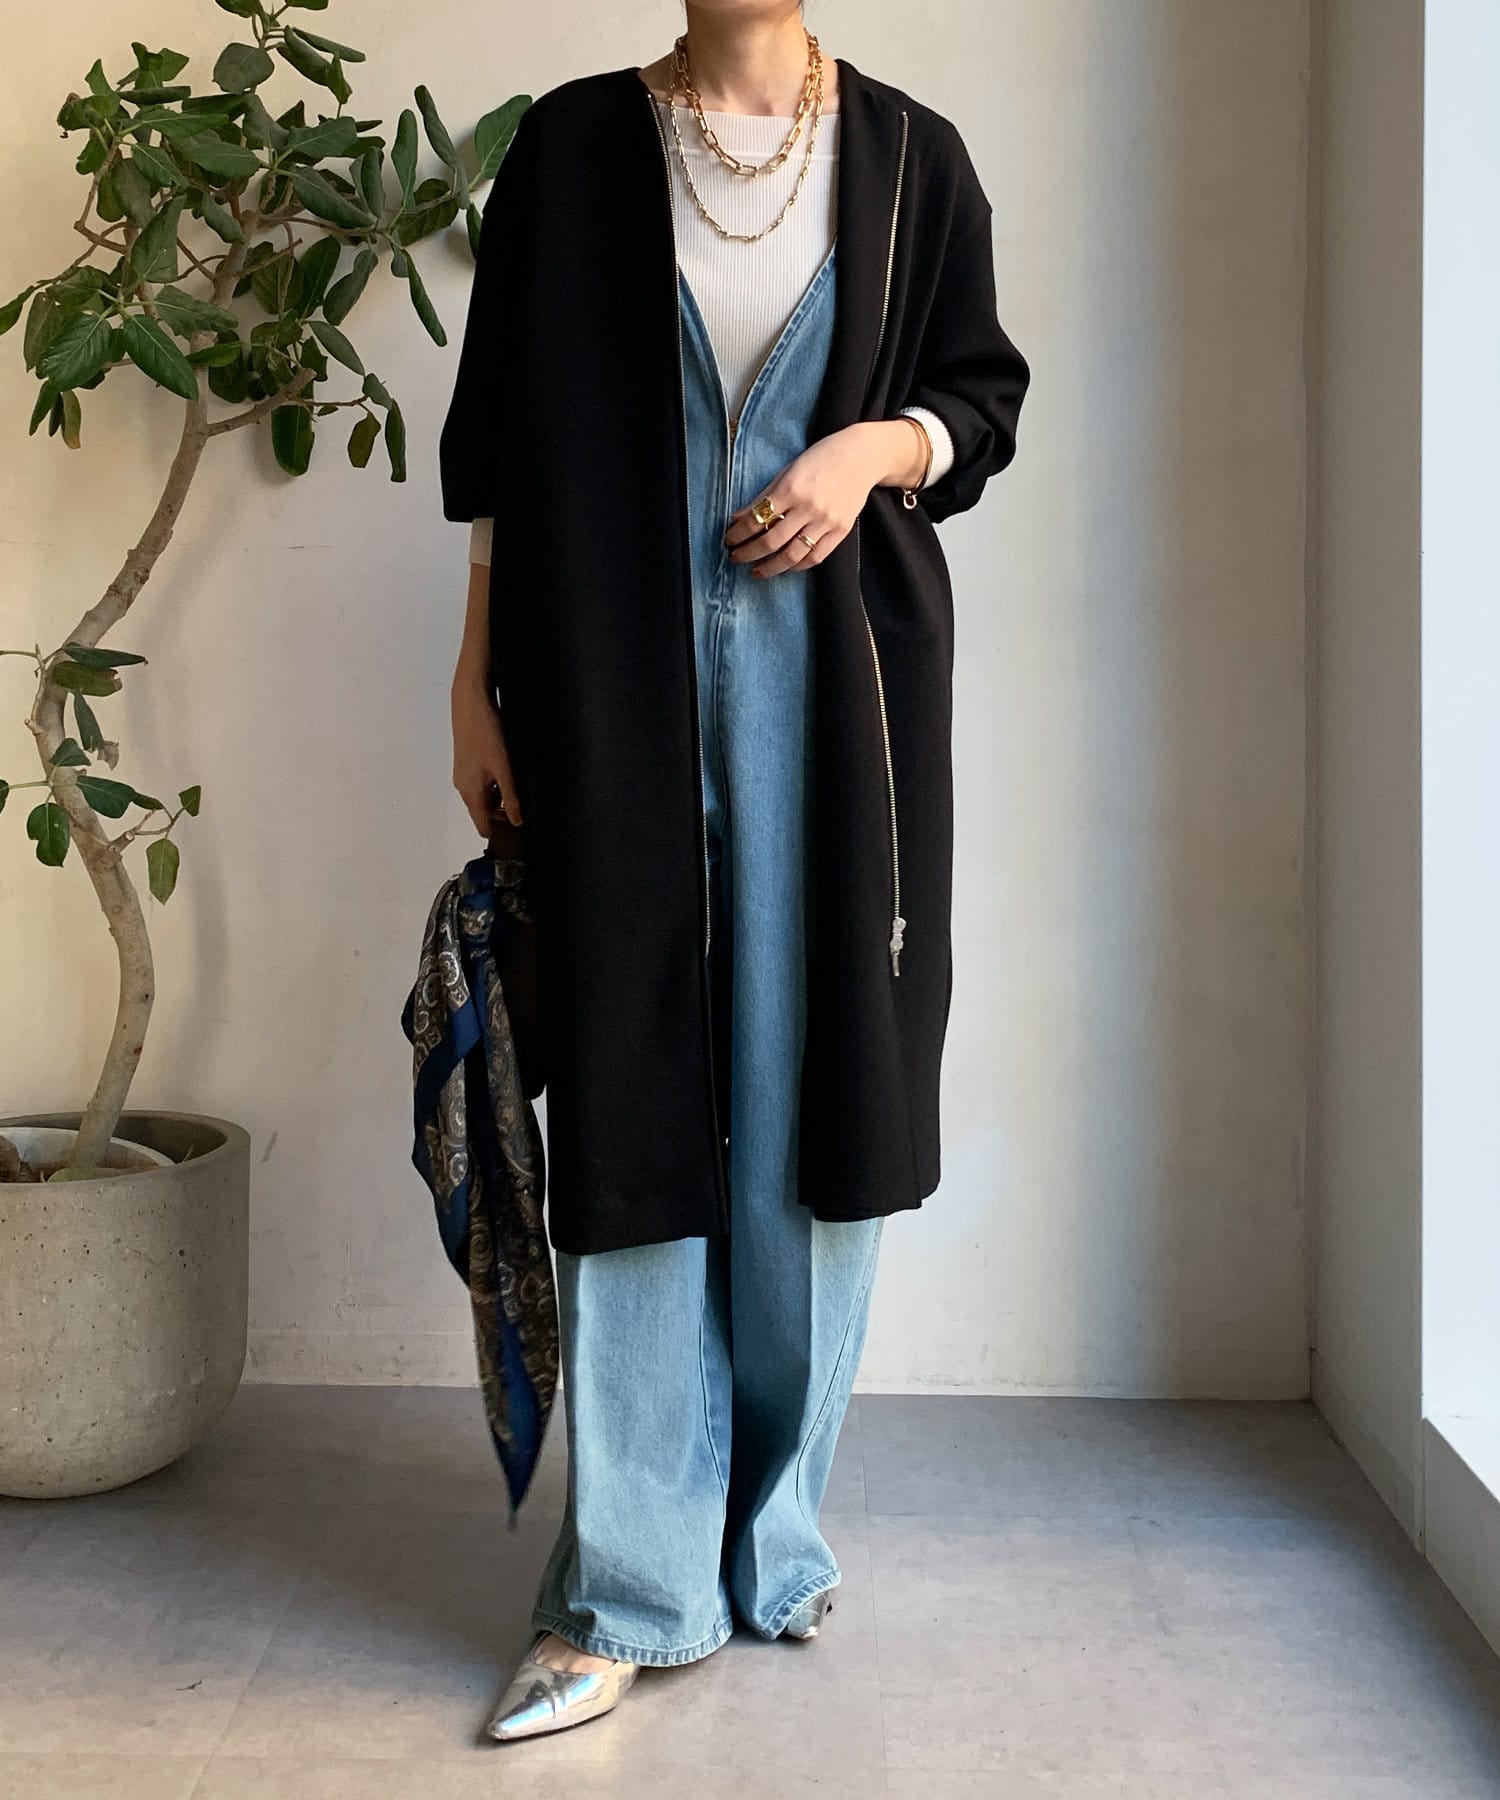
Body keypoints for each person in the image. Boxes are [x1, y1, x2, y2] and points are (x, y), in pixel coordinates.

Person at [439, 0, 1029, 1743]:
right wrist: (472, 678)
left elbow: (981, 401)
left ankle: (773, 1538)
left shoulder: (912, 157)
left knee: (815, 1092)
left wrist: (870, 449)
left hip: (839, 699)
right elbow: (501, 438)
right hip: (604, 683)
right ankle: (630, 1585)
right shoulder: (568, 150)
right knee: (630, 1095)